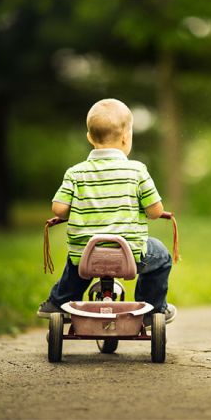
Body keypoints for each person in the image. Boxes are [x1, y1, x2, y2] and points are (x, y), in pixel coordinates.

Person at [37, 98, 176, 324]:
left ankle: (59, 303)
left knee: (77, 258)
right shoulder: (137, 171)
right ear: (125, 137)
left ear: (90, 138)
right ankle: (152, 310)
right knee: (160, 256)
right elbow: (154, 211)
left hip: (87, 255)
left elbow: (59, 210)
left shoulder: (76, 173)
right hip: (129, 254)